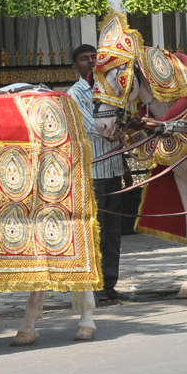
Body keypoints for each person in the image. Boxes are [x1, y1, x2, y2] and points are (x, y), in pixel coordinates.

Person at [68, 43, 128, 302]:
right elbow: (90, 127)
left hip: (114, 168)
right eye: (85, 58)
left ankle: (109, 284)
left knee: (114, 231)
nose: (91, 62)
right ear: (75, 66)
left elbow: (123, 120)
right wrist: (122, 127)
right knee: (97, 231)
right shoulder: (76, 94)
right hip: (94, 171)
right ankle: (94, 286)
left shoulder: (111, 89)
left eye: (94, 57)